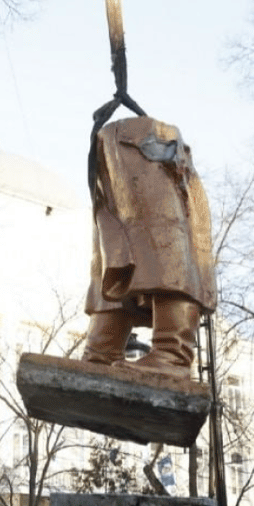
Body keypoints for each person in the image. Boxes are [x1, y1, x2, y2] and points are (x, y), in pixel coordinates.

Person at [82, 115, 216, 381]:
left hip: (150, 151)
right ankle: (102, 350)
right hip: (117, 154)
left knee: (164, 243)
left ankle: (172, 353)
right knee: (114, 250)